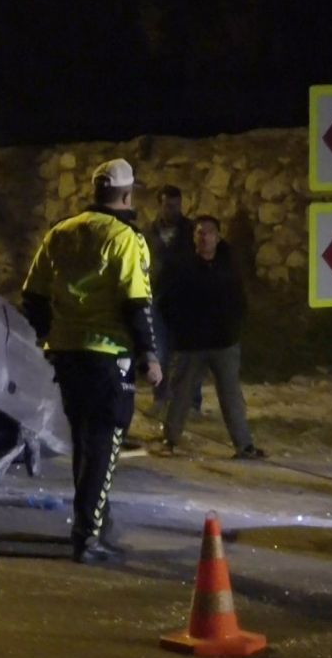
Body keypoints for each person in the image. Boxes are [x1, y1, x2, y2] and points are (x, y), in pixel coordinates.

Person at [22, 158, 163, 565]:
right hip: (107, 356)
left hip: (67, 354)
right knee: (104, 444)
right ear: (126, 194)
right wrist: (149, 355)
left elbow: (33, 296)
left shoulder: (61, 232)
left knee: (85, 442)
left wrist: (49, 334)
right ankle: (88, 536)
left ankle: (96, 524)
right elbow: (137, 302)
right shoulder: (126, 238)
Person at [157, 215, 265, 460]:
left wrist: (233, 326)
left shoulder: (228, 265)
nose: (204, 237)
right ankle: (170, 440)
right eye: (200, 232)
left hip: (224, 342)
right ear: (194, 236)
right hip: (191, 343)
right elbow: (166, 301)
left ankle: (244, 445)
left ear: (218, 236)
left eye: (209, 232)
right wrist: (181, 328)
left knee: (231, 395)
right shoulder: (182, 266)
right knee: (181, 393)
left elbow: (239, 299)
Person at [144, 185, 202, 418]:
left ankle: (193, 403)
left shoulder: (191, 230)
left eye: (177, 206)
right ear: (160, 205)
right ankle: (160, 399)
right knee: (159, 353)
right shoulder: (149, 232)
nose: (173, 210)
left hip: (186, 301)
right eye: (168, 205)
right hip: (157, 301)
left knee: (190, 354)